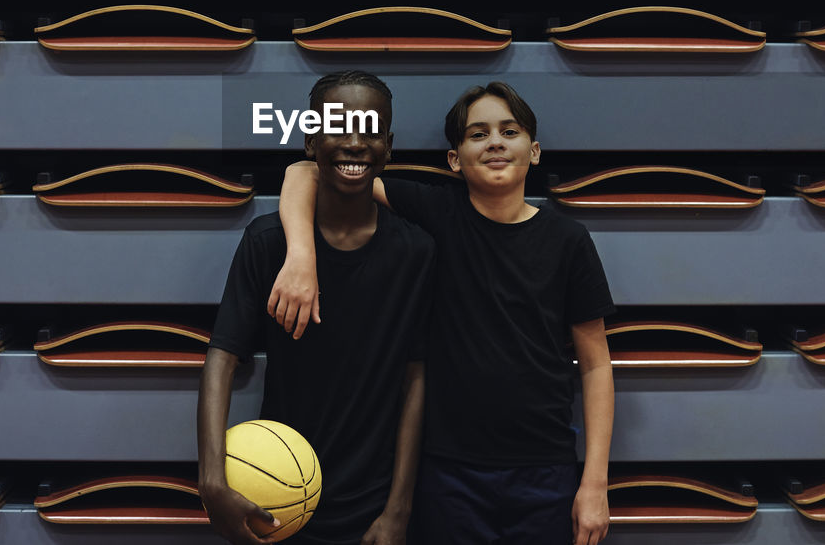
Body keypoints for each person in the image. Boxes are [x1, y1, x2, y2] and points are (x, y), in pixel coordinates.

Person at [271, 81, 614, 545]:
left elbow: (594, 365)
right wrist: (300, 256)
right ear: (455, 160)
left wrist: (594, 484)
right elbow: (304, 172)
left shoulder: (569, 241)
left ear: (533, 151)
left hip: (544, 470)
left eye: (508, 131)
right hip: (449, 473)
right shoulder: (437, 212)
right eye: (477, 134)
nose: (494, 141)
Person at [198, 71, 435, 545]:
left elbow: (416, 376)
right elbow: (222, 358)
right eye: (337, 126)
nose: (354, 142)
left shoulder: (415, 251)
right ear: (310, 141)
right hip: (272, 494)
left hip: (372, 503)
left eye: (370, 130)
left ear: (389, 146)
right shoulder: (268, 242)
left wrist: (398, 509)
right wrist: (211, 478)